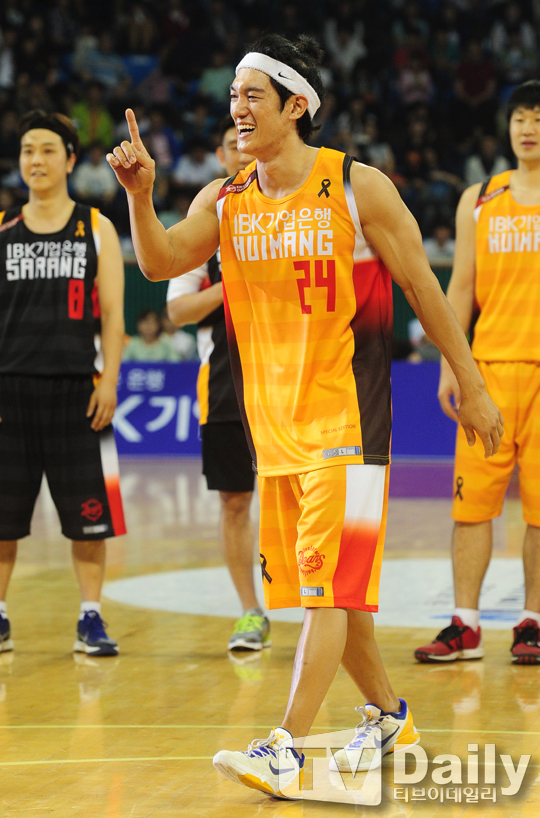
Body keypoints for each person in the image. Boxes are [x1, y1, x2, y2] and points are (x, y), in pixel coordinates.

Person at [107, 33, 502, 798]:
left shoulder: (356, 187)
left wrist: (471, 380)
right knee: (337, 598)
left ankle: (283, 746)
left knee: (327, 595)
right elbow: (160, 264)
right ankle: (390, 717)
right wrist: (139, 197)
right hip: (275, 433)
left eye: (252, 95)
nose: (237, 107)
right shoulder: (225, 199)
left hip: (350, 423)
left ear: (296, 106)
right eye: (233, 95)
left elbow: (423, 287)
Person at [415, 80, 540, 667]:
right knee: (471, 507)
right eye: (520, 117)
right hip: (486, 376)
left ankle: (533, 622)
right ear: (507, 127)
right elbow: (459, 288)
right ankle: (464, 625)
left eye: (538, 117)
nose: (528, 127)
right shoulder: (480, 198)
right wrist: (451, 365)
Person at [0, 110, 126, 657]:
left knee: (90, 519)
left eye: (48, 149)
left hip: (80, 391)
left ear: (70, 159)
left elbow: (114, 317)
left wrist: (110, 380)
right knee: (3, 520)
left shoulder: (96, 227)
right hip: (8, 392)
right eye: (28, 149)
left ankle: (90, 616)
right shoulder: (2, 228)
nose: (36, 160)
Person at [166, 115, 270, 652]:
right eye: (233, 142)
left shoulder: (294, 211)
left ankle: (315, 608)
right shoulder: (206, 222)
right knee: (234, 501)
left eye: (248, 138)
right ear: (222, 156)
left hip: (289, 372)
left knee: (301, 497)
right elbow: (178, 310)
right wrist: (232, 285)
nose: (243, 148)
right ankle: (251, 611)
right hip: (226, 382)